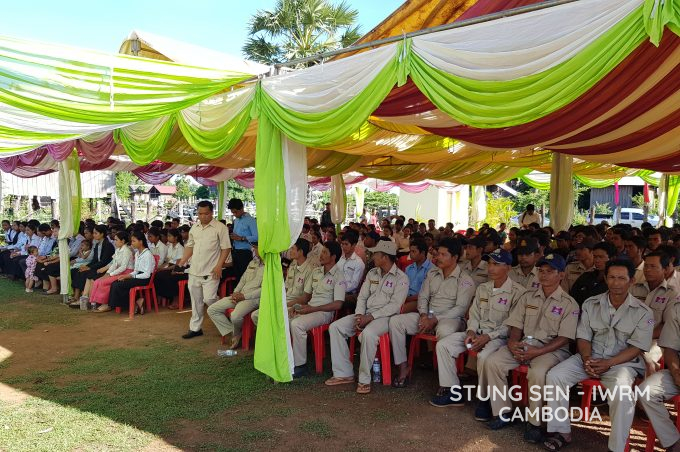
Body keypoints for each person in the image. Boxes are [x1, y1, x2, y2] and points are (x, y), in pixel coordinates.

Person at [544, 260, 653, 452]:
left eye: (621, 278)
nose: (616, 283)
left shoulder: (643, 312)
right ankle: (562, 431)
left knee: (621, 392)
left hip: (621, 363)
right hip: (590, 357)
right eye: (611, 277)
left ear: (632, 281)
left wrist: (608, 363)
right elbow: (583, 336)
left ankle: (616, 447)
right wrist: (586, 359)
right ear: (605, 278)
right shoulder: (591, 303)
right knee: (556, 376)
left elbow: (636, 348)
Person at [479, 254, 578, 443]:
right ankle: (503, 412)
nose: (544, 275)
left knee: (538, 372)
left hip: (552, 350)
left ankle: (534, 423)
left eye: (550, 271)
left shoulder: (569, 304)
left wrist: (537, 352)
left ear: (561, 275)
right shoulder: (527, 296)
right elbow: (516, 325)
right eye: (541, 271)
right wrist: (512, 343)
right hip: (524, 344)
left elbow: (565, 338)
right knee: (493, 362)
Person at [430, 249, 525, 407]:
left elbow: (511, 326)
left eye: (496, 264)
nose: (491, 268)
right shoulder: (483, 288)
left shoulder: (518, 293)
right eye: (489, 264)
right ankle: (453, 392)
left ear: (508, 268)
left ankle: (485, 400)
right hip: (477, 334)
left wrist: (488, 337)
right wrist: (471, 331)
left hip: (499, 339)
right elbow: (473, 315)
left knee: (484, 356)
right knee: (444, 345)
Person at [389, 237, 475, 387]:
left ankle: (446, 380)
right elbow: (423, 296)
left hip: (451, 319)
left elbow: (460, 309)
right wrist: (423, 315)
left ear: (454, 257)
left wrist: (435, 319)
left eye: (443, 255)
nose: (438, 258)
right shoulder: (432, 273)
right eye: (437, 254)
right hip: (428, 317)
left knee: (445, 329)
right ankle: (403, 366)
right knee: (396, 321)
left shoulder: (465, 280)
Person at [325, 240, 408, 394]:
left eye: (375, 254)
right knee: (335, 327)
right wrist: (359, 315)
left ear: (384, 257)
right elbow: (362, 297)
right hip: (365, 314)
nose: (372, 257)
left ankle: (364, 379)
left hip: (385, 318)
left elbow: (394, 306)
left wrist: (370, 317)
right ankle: (344, 373)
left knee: (369, 334)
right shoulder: (371, 273)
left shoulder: (401, 278)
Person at [288, 241, 346, 378]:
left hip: (324, 313)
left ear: (333, 257)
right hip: (311, 308)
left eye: (325, 252)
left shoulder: (339, 275)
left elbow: (338, 304)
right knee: (285, 318)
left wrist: (312, 309)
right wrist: (294, 307)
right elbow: (306, 296)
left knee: (297, 324)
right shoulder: (316, 272)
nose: (321, 255)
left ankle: (300, 365)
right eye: (322, 251)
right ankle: (285, 358)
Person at [177, 200, 232, 339]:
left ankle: (227, 319)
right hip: (194, 270)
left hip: (211, 271)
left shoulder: (220, 228)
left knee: (210, 299)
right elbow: (190, 246)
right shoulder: (194, 227)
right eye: (200, 213)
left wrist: (219, 265)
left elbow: (226, 248)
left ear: (211, 212)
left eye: (206, 213)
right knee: (196, 302)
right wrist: (183, 260)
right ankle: (195, 328)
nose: (203, 216)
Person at [638, 297, 680, 452]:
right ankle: (673, 443)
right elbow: (670, 348)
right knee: (646, 391)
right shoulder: (677, 309)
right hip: (677, 371)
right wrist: (676, 372)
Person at [207, 243, 264, 349]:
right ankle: (234, 332)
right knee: (212, 309)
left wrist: (244, 296)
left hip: (253, 299)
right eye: (255, 248)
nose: (254, 250)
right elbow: (243, 279)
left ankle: (236, 334)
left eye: (257, 248)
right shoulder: (253, 262)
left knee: (235, 316)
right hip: (240, 295)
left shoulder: (271, 266)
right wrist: (235, 292)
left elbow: (264, 290)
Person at [630, 252, 679, 374]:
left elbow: (667, 325)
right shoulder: (633, 289)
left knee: (646, 360)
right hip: (627, 335)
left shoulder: (672, 294)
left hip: (655, 340)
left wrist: (642, 336)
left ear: (665, 269)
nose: (647, 270)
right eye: (646, 266)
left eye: (653, 266)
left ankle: (644, 391)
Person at [252, 238, 315, 326]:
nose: (290, 251)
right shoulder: (293, 265)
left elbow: (305, 299)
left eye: (293, 248)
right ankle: (271, 338)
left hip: (295, 305)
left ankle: (276, 338)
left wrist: (284, 305)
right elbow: (285, 288)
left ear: (300, 252)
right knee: (256, 315)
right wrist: (276, 301)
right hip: (285, 301)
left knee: (275, 319)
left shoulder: (310, 270)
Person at [107, 231, 156, 315]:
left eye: (134, 241)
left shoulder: (147, 254)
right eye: (131, 241)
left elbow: (147, 274)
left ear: (140, 242)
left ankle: (134, 304)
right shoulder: (137, 253)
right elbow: (136, 270)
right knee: (116, 282)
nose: (131, 243)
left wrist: (131, 277)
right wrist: (127, 275)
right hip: (138, 275)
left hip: (145, 279)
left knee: (119, 285)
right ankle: (136, 301)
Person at [86, 231, 134, 312]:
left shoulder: (127, 251)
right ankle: (95, 302)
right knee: (98, 281)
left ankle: (106, 304)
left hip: (126, 273)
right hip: (118, 271)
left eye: (116, 240)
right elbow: (114, 264)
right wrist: (108, 273)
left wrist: (110, 274)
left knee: (103, 282)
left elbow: (123, 267)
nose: (114, 242)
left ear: (122, 241)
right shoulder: (118, 250)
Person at [70, 225, 114, 303]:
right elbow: (95, 260)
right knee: (79, 271)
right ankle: (77, 296)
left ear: (102, 234)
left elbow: (104, 261)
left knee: (86, 274)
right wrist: (86, 266)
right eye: (93, 233)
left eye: (96, 233)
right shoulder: (97, 244)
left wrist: (90, 268)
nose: (94, 235)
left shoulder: (108, 245)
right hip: (98, 266)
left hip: (104, 268)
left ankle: (85, 298)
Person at [570, 242, 616, 306]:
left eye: (601, 257)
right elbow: (572, 298)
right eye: (595, 257)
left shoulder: (617, 281)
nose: (597, 260)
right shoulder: (586, 276)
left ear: (612, 258)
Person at [154, 228, 186, 310]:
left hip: (180, 269)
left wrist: (164, 269)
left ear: (176, 237)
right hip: (171, 266)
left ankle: (176, 299)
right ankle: (163, 296)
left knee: (170, 277)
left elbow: (178, 264)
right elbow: (168, 261)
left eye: (170, 236)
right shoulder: (170, 247)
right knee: (157, 275)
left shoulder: (180, 248)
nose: (168, 238)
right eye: (167, 236)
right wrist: (159, 268)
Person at [228, 198, 258, 284]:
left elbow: (257, 237)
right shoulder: (236, 220)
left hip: (245, 253)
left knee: (245, 277)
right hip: (235, 251)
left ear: (241, 208)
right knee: (238, 277)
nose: (234, 214)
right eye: (232, 212)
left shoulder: (251, 221)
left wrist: (242, 238)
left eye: (235, 212)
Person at [402, 239, 433, 313]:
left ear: (422, 253)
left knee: (399, 310)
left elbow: (427, 294)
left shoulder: (431, 270)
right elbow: (403, 286)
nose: (411, 254)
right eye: (410, 251)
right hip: (405, 298)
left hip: (420, 300)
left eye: (413, 251)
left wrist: (407, 299)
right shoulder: (408, 268)